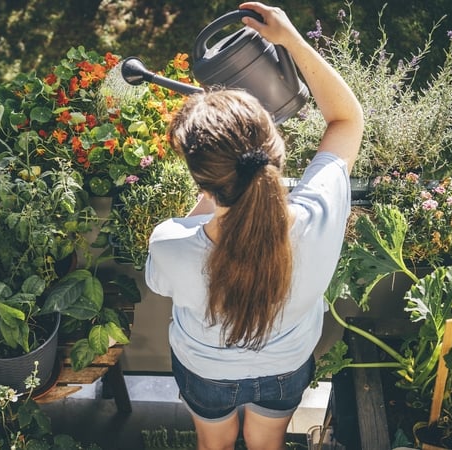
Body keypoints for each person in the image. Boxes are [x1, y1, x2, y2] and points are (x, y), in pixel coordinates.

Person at [144, 2, 364, 449]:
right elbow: (347, 119)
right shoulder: (319, 215)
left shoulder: (169, 243)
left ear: (202, 180)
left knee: (214, 445)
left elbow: (164, 278)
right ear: (274, 148)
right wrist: (291, 40)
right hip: (286, 367)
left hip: (205, 370)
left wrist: (210, 194)